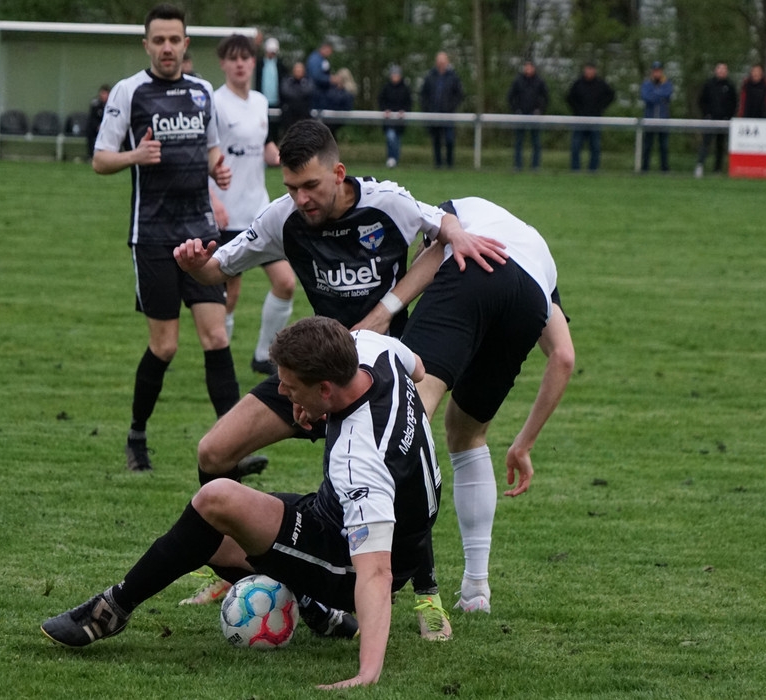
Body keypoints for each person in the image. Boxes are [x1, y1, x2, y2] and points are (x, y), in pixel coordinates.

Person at [174, 118, 505, 639]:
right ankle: (229, 565)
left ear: (338, 172)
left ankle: (427, 594)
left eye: (311, 185)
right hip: (312, 373)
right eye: (291, 187)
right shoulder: (282, 218)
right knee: (214, 452)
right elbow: (219, 268)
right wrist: (196, 265)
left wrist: (386, 310)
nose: (301, 198)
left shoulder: (387, 203)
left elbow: (442, 231)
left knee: (400, 480)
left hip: (377, 383)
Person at [41, 316, 443, 690]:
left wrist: (367, 673)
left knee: (216, 502)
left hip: (351, 563)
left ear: (325, 388)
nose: (281, 393)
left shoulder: (360, 457)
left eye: (291, 386)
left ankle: (111, 610)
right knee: (202, 534)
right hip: (334, 513)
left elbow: (377, 573)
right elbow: (419, 369)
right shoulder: (371, 348)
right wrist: (314, 403)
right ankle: (313, 607)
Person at [353, 196, 566, 614]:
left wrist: (382, 314)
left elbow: (437, 252)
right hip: (528, 302)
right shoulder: (538, 255)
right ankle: (475, 589)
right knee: (467, 435)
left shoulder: (453, 212)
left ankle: (372, 577)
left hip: (471, 277)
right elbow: (563, 356)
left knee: (404, 418)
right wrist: (523, 444)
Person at [92, 4, 239, 473]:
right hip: (153, 236)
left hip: (201, 233)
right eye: (159, 40)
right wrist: (135, 155)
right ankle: (136, 436)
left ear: (185, 43)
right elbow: (100, 159)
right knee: (165, 346)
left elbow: (212, 148)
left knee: (216, 335)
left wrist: (217, 169)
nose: (167, 48)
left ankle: (233, 446)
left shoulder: (201, 91)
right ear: (147, 45)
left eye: (175, 39)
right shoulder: (129, 91)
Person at [207, 34, 295, 376]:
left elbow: (266, 146)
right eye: (233, 59)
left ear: (254, 62)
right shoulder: (215, 104)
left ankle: (264, 356)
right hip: (227, 214)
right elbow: (202, 156)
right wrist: (213, 200)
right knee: (229, 296)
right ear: (223, 64)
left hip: (260, 212)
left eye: (245, 58)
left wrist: (286, 158)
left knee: (285, 283)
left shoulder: (259, 101)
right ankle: (221, 363)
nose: (240, 64)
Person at [566, 62, 614, 171]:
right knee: (576, 146)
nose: (589, 72)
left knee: (595, 146)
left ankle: (593, 170)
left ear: (595, 71)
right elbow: (569, 98)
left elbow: (611, 95)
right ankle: (575, 169)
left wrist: (600, 108)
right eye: (587, 69)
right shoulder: (578, 84)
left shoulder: (600, 84)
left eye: (591, 69)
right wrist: (577, 110)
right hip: (579, 120)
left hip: (595, 120)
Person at [420, 51, 464, 168]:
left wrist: (451, 106)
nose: (441, 63)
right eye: (439, 61)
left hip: (449, 114)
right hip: (434, 113)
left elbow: (459, 95)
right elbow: (424, 95)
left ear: (447, 62)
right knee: (436, 139)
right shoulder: (430, 76)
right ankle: (438, 164)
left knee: (449, 139)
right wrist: (427, 108)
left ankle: (449, 163)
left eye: (443, 61)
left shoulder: (453, 77)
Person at [694, 62, 738, 178]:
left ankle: (717, 169)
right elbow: (701, 101)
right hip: (710, 120)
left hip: (724, 121)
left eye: (724, 69)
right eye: (720, 69)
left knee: (720, 145)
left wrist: (729, 116)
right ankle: (700, 165)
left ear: (727, 72)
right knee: (706, 143)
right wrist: (707, 114)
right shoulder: (709, 84)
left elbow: (734, 103)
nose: (722, 71)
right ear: (715, 70)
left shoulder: (730, 86)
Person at [507, 60, 549, 171]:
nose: (528, 69)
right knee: (519, 141)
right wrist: (516, 109)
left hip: (535, 116)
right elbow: (511, 97)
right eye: (526, 67)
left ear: (534, 68)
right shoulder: (518, 81)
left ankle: (535, 166)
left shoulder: (540, 81)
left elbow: (545, 98)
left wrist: (540, 110)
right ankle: (518, 165)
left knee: (536, 142)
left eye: (530, 67)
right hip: (520, 115)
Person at [641, 60, 673, 172]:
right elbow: (646, 97)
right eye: (655, 71)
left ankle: (664, 169)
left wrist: (654, 94)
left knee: (664, 146)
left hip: (663, 119)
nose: (657, 73)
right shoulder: (646, 84)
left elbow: (667, 94)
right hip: (649, 119)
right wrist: (659, 95)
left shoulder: (667, 83)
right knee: (647, 146)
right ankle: (645, 168)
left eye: (658, 71)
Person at [378, 64, 411, 168]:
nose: (394, 77)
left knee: (397, 140)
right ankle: (391, 158)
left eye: (396, 74)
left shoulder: (405, 88)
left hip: (400, 121)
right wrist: (385, 110)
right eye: (393, 74)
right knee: (390, 137)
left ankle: (395, 159)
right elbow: (381, 101)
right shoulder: (386, 88)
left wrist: (403, 111)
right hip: (389, 120)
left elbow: (408, 103)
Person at [255, 36, 286, 143]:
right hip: (261, 100)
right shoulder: (259, 64)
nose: (271, 54)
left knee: (274, 127)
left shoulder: (280, 65)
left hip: (276, 101)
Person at [279, 61, 313, 135]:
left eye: (300, 70)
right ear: (293, 71)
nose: (298, 72)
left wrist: (295, 92)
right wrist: (299, 92)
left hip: (303, 111)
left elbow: (308, 91)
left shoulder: (308, 81)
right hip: (289, 111)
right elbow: (285, 92)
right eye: (296, 70)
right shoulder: (287, 81)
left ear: (303, 72)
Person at [305, 41, 334, 110]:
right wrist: (329, 79)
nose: (330, 53)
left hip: (319, 92)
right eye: (329, 51)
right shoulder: (315, 59)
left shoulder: (322, 60)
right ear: (324, 48)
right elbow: (315, 76)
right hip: (316, 93)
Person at [84, 84, 109, 160]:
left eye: (105, 94)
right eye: (102, 93)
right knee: (89, 131)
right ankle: (92, 155)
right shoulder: (95, 104)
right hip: (96, 128)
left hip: (108, 128)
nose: (103, 96)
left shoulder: (111, 105)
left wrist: (105, 127)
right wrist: (98, 126)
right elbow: (92, 118)